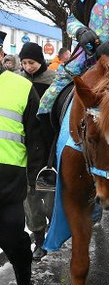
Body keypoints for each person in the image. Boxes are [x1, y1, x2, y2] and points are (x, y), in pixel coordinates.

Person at [0, 40, 46, 285]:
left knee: (12, 237)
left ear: (2, 54)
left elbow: (35, 136)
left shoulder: (21, 86)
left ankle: (24, 277)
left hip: (8, 180)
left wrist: (34, 176)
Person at [18, 42, 56, 259]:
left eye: (31, 62)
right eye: (24, 63)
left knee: (49, 197)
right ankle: (39, 240)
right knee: (30, 200)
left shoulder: (52, 81)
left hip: (48, 146)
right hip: (26, 148)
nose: (28, 66)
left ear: (40, 60)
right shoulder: (20, 82)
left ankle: (53, 234)